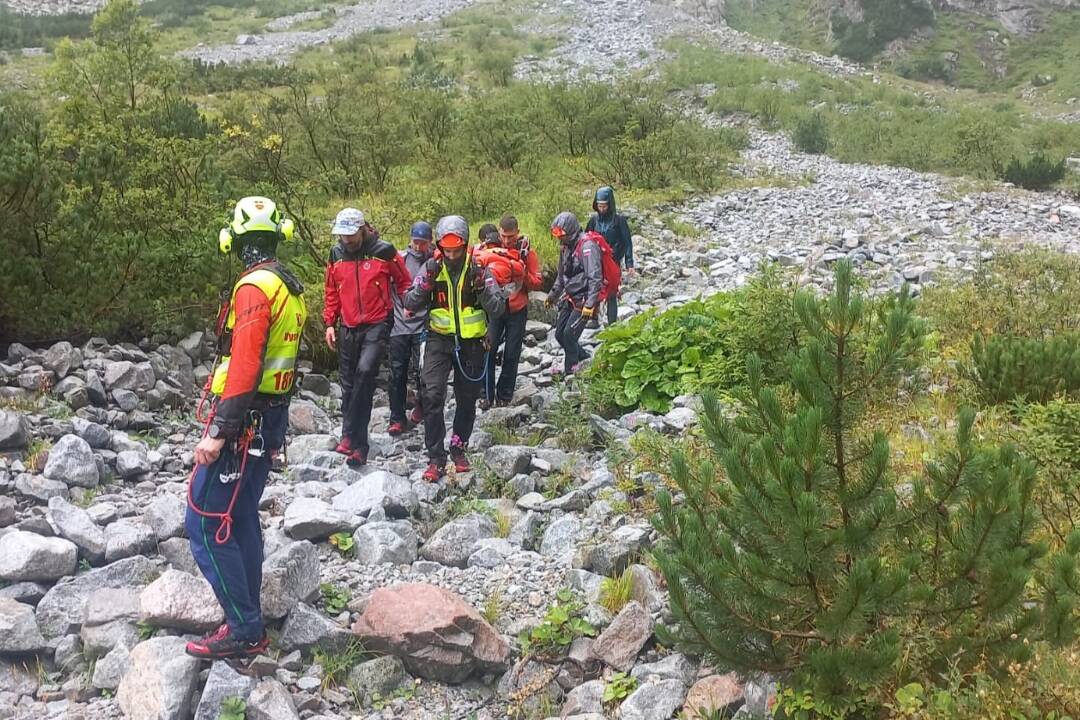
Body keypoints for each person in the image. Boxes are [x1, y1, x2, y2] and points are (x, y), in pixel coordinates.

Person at [185, 196, 307, 660]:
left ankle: (244, 629)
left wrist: (217, 431)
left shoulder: (254, 288)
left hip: (244, 421)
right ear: (278, 236)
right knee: (239, 517)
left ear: (235, 241)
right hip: (268, 417)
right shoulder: (289, 287)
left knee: (204, 519)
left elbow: (247, 364)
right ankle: (248, 613)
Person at [405, 216, 506, 482]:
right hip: (439, 339)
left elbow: (498, 307)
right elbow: (410, 300)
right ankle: (435, 458)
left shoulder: (479, 269)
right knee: (432, 395)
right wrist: (426, 282)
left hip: (472, 343)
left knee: (466, 399)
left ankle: (458, 447)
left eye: (455, 250)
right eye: (446, 250)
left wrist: (481, 286)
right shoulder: (430, 268)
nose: (450, 255)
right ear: (439, 246)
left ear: (465, 246)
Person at [322, 208, 411, 466]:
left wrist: (408, 303)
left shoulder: (384, 251)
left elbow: (404, 281)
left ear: (362, 229)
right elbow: (331, 290)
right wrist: (329, 322)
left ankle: (354, 436)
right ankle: (353, 440)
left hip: (377, 323)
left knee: (365, 373)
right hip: (347, 325)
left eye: (350, 235)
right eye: (342, 236)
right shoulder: (336, 254)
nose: (346, 241)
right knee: (348, 384)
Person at [480, 215, 543, 407]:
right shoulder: (490, 250)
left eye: (511, 237)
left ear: (517, 233)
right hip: (494, 309)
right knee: (487, 350)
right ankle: (486, 394)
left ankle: (505, 396)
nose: (507, 241)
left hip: (517, 308)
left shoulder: (526, 253)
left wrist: (521, 275)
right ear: (498, 232)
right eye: (504, 236)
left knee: (512, 353)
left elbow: (538, 282)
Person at [387, 221, 434, 436]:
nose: (418, 247)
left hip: (424, 325)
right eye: (416, 242)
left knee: (424, 371)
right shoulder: (399, 260)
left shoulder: (435, 261)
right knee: (397, 373)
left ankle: (422, 406)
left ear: (430, 242)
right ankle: (396, 418)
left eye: (423, 243)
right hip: (399, 326)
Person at [547, 211, 602, 377]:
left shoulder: (587, 246)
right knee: (559, 335)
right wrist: (552, 295)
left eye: (561, 234)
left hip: (584, 299)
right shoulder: (565, 248)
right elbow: (561, 275)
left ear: (569, 231)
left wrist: (590, 304)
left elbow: (595, 277)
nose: (559, 238)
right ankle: (584, 357)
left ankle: (571, 373)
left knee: (569, 336)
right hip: (570, 297)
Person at [585, 186, 634, 325]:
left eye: (604, 206)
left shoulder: (619, 221)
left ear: (610, 204)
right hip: (596, 261)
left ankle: (612, 323)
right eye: (599, 206)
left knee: (612, 293)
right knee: (594, 288)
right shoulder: (594, 221)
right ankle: (593, 319)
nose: (602, 209)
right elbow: (585, 239)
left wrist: (629, 263)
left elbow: (627, 242)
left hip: (613, 261)